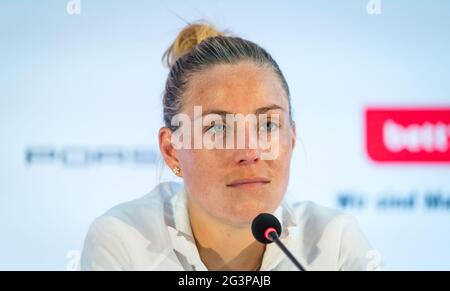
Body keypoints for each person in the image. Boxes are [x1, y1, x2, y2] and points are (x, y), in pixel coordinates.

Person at [80, 22, 380, 271]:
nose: (249, 151)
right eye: (218, 128)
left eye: (267, 125)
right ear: (172, 150)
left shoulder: (335, 243)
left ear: (290, 139)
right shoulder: (123, 241)